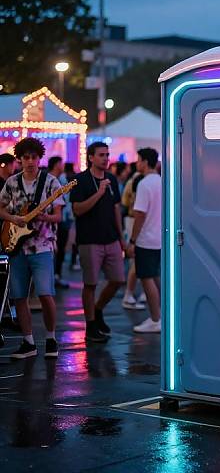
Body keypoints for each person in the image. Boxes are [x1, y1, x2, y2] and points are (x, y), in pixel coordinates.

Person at [0, 138, 64, 359]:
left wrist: (46, 216)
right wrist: (13, 219)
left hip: (42, 245)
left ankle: (51, 339)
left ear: (39, 158)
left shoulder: (51, 182)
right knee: (19, 296)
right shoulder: (12, 183)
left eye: (33, 157)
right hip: (17, 246)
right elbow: (0, 209)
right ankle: (28, 342)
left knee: (46, 294)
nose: (29, 161)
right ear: (19, 159)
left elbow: (58, 216)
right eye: (25, 157)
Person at [70, 142, 125, 343]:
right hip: (89, 240)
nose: (105, 158)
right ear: (91, 157)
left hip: (110, 238)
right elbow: (77, 209)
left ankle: (98, 309)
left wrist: (122, 238)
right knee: (90, 284)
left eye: (107, 154)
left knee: (118, 279)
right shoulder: (81, 180)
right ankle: (90, 324)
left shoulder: (111, 179)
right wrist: (99, 193)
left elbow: (116, 209)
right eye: (101, 155)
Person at [126, 148, 161, 333]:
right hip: (160, 238)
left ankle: (155, 319)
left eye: (138, 160)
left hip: (146, 240)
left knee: (147, 278)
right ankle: (161, 315)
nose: (137, 164)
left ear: (145, 162)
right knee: (155, 277)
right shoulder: (163, 182)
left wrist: (132, 240)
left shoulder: (144, 184)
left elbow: (139, 214)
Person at [121, 166, 145, 309]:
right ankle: (129, 294)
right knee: (137, 262)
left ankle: (132, 294)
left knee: (138, 262)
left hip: (133, 221)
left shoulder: (134, 181)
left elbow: (124, 203)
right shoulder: (140, 182)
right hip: (136, 222)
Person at [47, 156, 70, 289]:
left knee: (60, 248)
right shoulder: (49, 180)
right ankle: (53, 276)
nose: (63, 166)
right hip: (52, 221)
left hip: (63, 218)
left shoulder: (62, 179)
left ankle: (56, 275)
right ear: (56, 164)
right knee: (54, 249)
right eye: (61, 163)